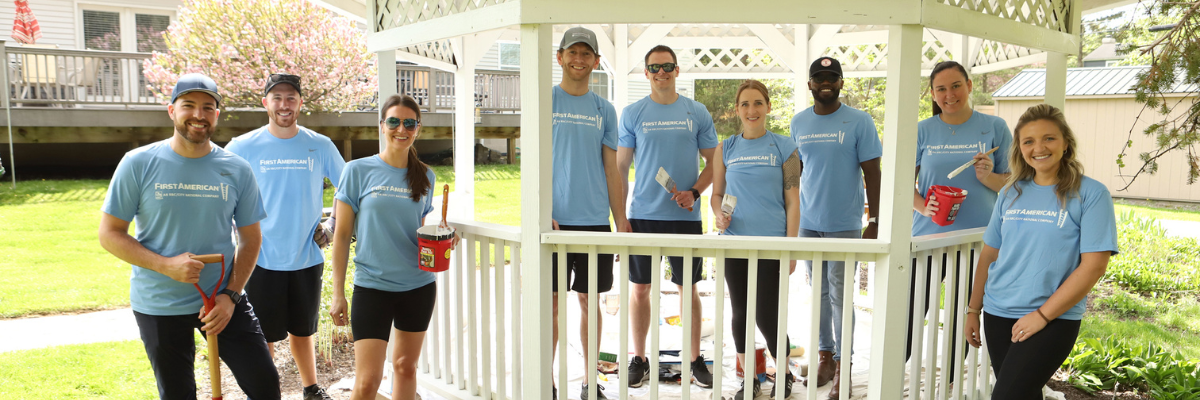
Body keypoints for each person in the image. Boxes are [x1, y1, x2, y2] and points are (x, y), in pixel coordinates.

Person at [98, 73, 281, 400]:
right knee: (178, 393)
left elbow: (251, 239)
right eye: (189, 106)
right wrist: (165, 265)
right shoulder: (138, 163)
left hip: (221, 299)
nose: (199, 115)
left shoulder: (236, 169)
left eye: (208, 107)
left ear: (217, 115)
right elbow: (110, 234)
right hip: (159, 303)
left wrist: (231, 295)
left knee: (265, 384)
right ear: (171, 111)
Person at [964, 103, 1118, 399]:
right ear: (1019, 148)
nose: (1039, 148)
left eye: (1049, 138)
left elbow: (1094, 267)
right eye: (1029, 141)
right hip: (998, 313)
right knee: (1024, 393)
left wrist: (1042, 316)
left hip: (1053, 318)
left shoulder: (1091, 193)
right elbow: (989, 255)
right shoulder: (1010, 191)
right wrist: (974, 309)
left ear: (1065, 143)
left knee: (1007, 395)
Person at [225, 73, 344, 400]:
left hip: (306, 256)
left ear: (300, 103)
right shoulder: (243, 147)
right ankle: (264, 393)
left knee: (303, 331)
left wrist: (332, 224)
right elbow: (222, 191)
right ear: (265, 103)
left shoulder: (318, 145)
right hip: (258, 258)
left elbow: (348, 188)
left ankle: (311, 389)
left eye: (291, 98)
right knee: (262, 336)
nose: (284, 104)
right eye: (276, 98)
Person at [328, 94, 453, 400]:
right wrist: (337, 292)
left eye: (409, 123)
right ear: (381, 126)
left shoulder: (426, 176)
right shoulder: (357, 171)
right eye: (394, 121)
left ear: (418, 128)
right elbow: (342, 235)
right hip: (373, 287)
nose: (402, 128)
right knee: (368, 381)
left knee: (405, 367)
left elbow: (419, 229)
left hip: (418, 286)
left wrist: (444, 236)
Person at [616, 44, 718, 389]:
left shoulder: (696, 111)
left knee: (686, 289)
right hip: (642, 216)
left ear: (677, 71)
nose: (662, 73)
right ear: (646, 73)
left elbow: (714, 162)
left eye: (668, 66)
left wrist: (695, 192)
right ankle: (640, 359)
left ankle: (694, 360)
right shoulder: (633, 113)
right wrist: (621, 216)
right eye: (655, 68)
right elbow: (621, 166)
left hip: (685, 217)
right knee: (640, 289)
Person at [906, 60, 1013, 380]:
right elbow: (899, 181)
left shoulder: (994, 127)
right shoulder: (922, 130)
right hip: (928, 237)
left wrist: (988, 176)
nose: (949, 94)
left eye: (956, 86)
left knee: (962, 312)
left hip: (978, 239)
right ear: (933, 93)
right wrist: (924, 207)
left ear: (969, 85)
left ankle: (951, 378)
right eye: (941, 88)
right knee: (911, 309)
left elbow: (1014, 183)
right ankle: (895, 371)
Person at [789, 56, 882, 399]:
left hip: (845, 223)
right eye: (819, 78)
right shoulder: (798, 122)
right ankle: (824, 356)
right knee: (820, 294)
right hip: (809, 224)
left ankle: (845, 367)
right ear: (810, 84)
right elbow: (794, 174)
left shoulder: (859, 121)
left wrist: (874, 220)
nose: (825, 82)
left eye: (832, 77)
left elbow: (873, 172)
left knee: (841, 297)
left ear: (841, 83)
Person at [548, 26, 629, 400]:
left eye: (586, 54)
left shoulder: (604, 109)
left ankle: (587, 380)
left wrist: (621, 220)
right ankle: (544, 380)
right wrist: (539, 211)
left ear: (596, 62)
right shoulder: (545, 101)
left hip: (594, 220)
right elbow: (533, 162)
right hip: (553, 221)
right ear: (560, 56)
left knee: (588, 300)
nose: (579, 60)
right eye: (572, 52)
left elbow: (612, 170)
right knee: (550, 302)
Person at [710, 79, 800, 400]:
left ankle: (784, 373)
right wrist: (719, 213)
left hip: (773, 245)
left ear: (768, 107)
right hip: (734, 242)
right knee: (740, 313)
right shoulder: (726, 148)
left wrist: (791, 248)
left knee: (767, 313)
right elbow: (717, 193)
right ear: (737, 110)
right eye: (745, 104)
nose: (752, 110)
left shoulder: (785, 147)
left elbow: (793, 201)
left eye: (758, 103)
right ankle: (750, 380)